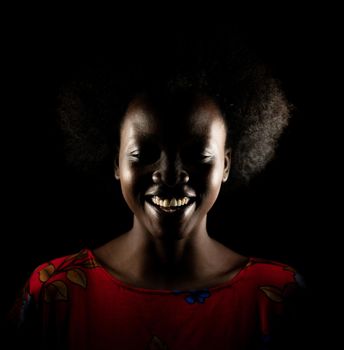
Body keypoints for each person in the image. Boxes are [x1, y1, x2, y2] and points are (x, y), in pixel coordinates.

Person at [8, 26, 306, 349]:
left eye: (196, 155)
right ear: (115, 163)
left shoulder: (278, 300)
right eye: (144, 155)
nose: (169, 174)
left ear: (226, 165)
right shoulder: (54, 295)